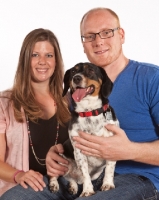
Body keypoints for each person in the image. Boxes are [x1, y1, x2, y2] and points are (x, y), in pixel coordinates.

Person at [2, 7, 159, 200]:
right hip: (78, 175)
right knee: (15, 197)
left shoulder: (151, 79)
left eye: (107, 32)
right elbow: (72, 140)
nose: (98, 41)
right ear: (83, 44)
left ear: (121, 34)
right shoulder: (74, 94)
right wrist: (55, 152)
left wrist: (129, 150)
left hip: (136, 178)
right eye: (90, 36)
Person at [0, 28, 70, 198]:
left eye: (49, 55)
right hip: (24, 191)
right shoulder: (5, 103)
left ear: (56, 61)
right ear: (25, 59)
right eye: (35, 55)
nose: (42, 61)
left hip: (65, 186)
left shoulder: (69, 101)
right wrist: (19, 175)